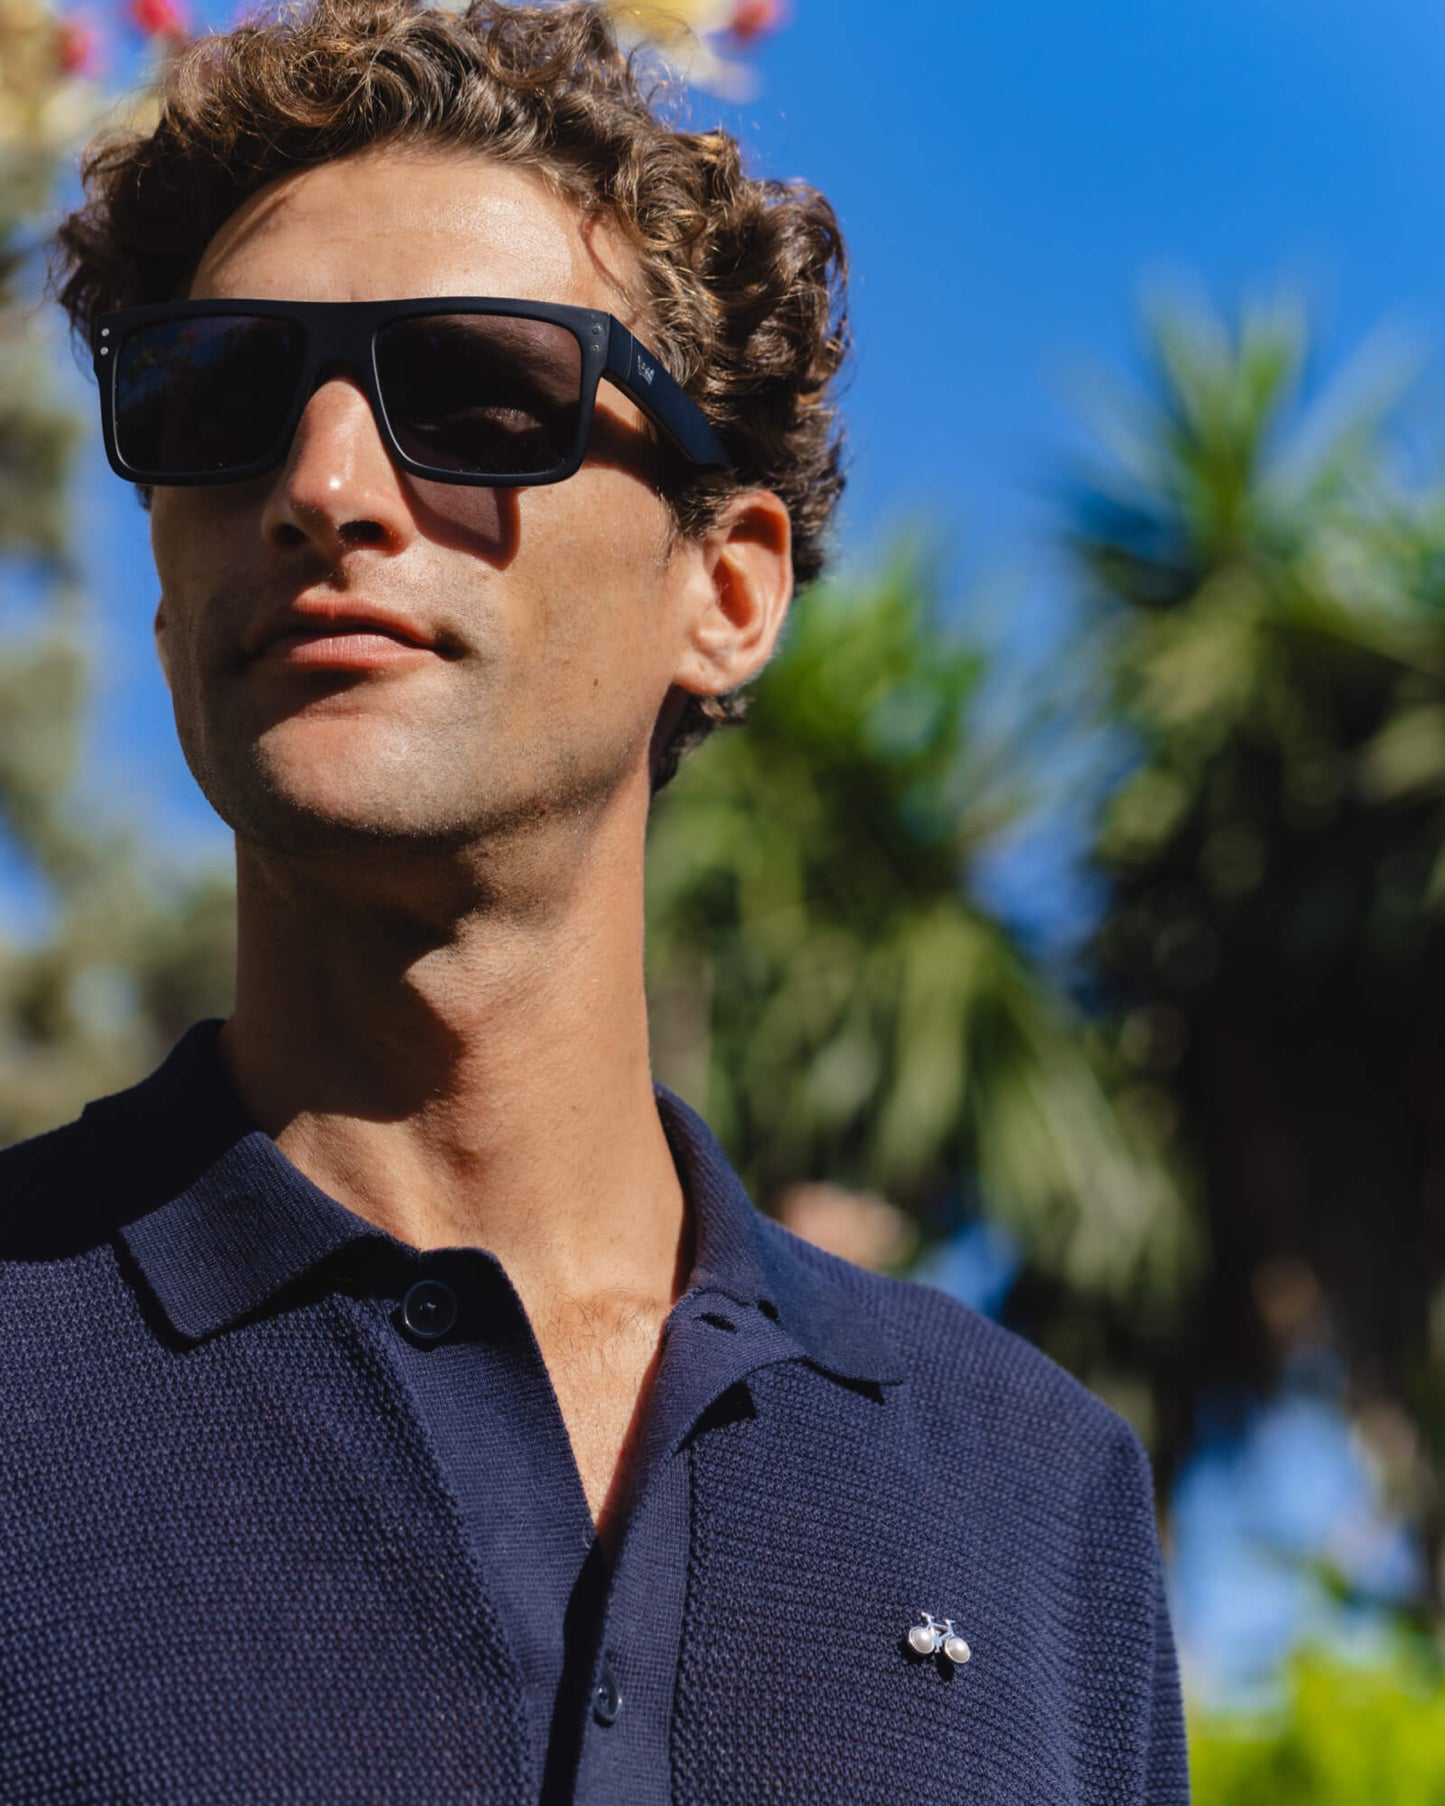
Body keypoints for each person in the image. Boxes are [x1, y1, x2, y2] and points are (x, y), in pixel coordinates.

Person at [1, 1, 1190, 1798]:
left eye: (479, 392)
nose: (322, 488)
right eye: (220, 401)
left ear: (726, 589)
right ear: (167, 599)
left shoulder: (1033, 1488)